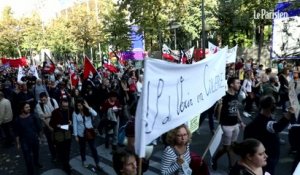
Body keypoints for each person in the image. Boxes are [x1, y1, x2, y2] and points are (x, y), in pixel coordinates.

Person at [244, 95, 295, 175]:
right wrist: (289, 113)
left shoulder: (260, 119)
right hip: (266, 159)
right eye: (274, 104)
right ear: (270, 106)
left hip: (262, 158)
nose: (275, 105)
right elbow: (277, 127)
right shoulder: (263, 121)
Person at [212, 77, 245, 170]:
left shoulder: (236, 94)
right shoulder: (224, 96)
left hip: (235, 125)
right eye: (237, 83)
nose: (239, 84)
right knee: (227, 147)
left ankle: (227, 164)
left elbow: (236, 109)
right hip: (226, 126)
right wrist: (219, 123)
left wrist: (241, 121)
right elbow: (219, 110)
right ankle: (230, 165)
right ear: (231, 85)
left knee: (231, 146)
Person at [14, 102, 42, 175]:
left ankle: (36, 162)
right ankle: (30, 171)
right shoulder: (17, 120)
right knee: (27, 158)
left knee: (36, 153)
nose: (29, 108)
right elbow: (16, 133)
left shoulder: (33, 116)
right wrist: (18, 144)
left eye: (29, 107)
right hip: (24, 142)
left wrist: (40, 137)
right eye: (26, 107)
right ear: (22, 109)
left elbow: (38, 128)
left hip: (34, 139)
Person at [72, 99, 101, 169]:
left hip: (89, 132)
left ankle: (97, 162)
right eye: (78, 106)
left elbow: (95, 114)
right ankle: (84, 160)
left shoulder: (88, 110)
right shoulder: (75, 113)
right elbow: (75, 124)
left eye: (80, 105)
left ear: (83, 105)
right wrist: (76, 135)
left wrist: (88, 107)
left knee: (93, 148)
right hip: (81, 133)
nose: (79, 107)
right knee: (82, 148)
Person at [49, 98, 73, 175]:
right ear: (60, 105)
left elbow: (71, 121)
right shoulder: (55, 112)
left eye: (67, 106)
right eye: (64, 107)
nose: (66, 108)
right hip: (59, 134)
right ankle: (66, 166)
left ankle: (66, 163)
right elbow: (51, 124)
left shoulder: (70, 110)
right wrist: (58, 126)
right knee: (62, 150)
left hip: (67, 133)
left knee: (67, 150)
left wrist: (71, 122)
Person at [34, 92, 58, 161]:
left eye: (44, 100)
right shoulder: (38, 105)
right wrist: (49, 127)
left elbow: (56, 112)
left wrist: (47, 115)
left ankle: (59, 154)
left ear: (47, 97)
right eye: (41, 100)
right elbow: (42, 118)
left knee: (58, 140)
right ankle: (54, 156)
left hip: (56, 124)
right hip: (46, 126)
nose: (43, 101)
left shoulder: (53, 101)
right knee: (50, 142)